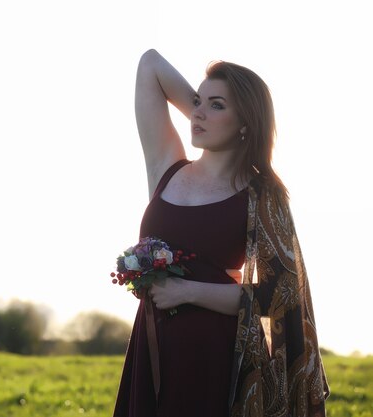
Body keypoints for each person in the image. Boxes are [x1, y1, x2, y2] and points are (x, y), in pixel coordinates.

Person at [112, 49, 330, 417]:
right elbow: (150, 65)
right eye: (197, 101)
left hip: (218, 354)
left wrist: (187, 291)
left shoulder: (262, 195)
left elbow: (280, 295)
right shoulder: (166, 166)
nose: (197, 112)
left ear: (246, 120)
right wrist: (207, 113)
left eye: (216, 105)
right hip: (151, 347)